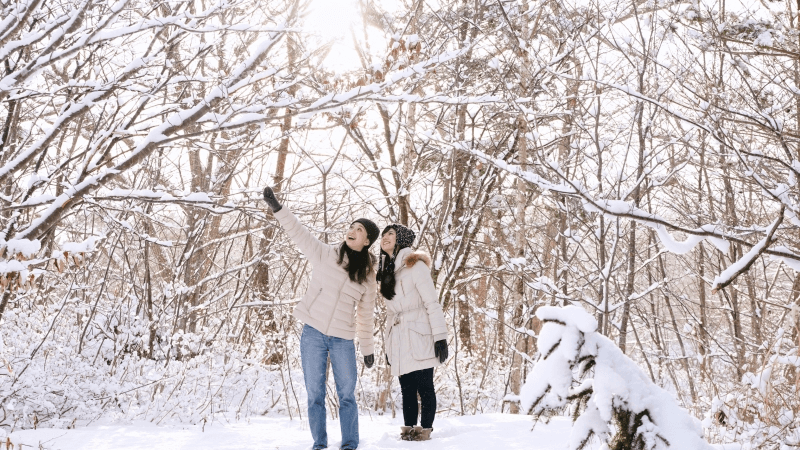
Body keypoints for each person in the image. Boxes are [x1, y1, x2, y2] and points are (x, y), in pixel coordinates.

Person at [263, 186, 378, 450]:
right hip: (313, 333)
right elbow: (299, 233)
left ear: (367, 241)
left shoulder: (368, 276)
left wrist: (368, 349)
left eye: (360, 230)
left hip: (343, 339)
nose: (353, 230)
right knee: (315, 393)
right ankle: (320, 445)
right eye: (352, 226)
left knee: (347, 395)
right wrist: (278, 209)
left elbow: (366, 316)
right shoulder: (326, 254)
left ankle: (349, 445)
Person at [377, 223, 448, 442]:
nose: (385, 237)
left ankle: (425, 430)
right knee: (406, 386)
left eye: (391, 234)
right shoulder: (385, 271)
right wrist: (388, 346)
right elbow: (390, 313)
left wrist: (440, 337)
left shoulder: (416, 266)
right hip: (398, 335)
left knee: (425, 385)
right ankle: (408, 429)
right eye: (384, 234)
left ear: (402, 240)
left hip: (420, 331)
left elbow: (432, 303)